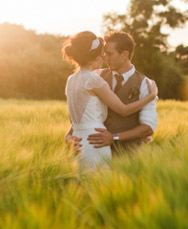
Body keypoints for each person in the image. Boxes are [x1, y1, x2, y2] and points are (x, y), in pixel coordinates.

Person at [62, 31, 157, 169]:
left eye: (109, 53)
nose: (105, 57)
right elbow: (82, 113)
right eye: (103, 53)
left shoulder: (146, 84)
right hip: (93, 148)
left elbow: (148, 128)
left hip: (127, 158)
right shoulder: (95, 76)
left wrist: (114, 137)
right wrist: (68, 136)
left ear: (125, 55)